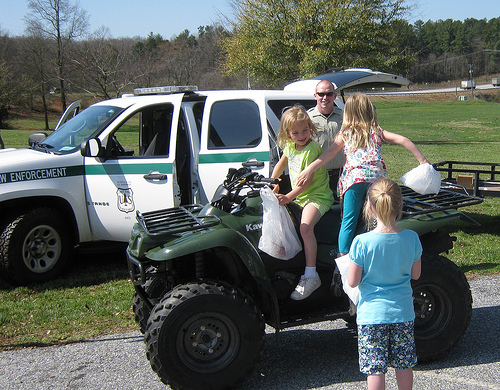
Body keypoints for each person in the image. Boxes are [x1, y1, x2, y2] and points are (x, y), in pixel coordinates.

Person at [297, 93, 429, 257]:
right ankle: (379, 251)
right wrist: (423, 161)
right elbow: (403, 140)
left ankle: (343, 258)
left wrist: (310, 168)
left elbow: (330, 153)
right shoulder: (377, 131)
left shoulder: (345, 133)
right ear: (369, 111)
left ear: (348, 113)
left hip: (355, 180)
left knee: (348, 221)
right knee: (378, 217)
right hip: (377, 181)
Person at [347, 178, 422, 390]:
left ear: (370, 207)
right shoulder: (412, 238)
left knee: (375, 368)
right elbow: (415, 275)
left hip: (372, 315)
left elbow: (352, 282)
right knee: (404, 364)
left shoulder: (362, 242)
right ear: (400, 205)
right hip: (403, 312)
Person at [271, 105, 334, 300]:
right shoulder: (290, 146)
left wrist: (288, 197)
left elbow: (306, 182)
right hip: (300, 196)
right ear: (288, 133)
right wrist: (273, 181)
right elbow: (282, 163)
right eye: (296, 132)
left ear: (310, 128)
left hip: (317, 196)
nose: (301, 136)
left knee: (305, 227)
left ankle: (311, 274)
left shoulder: (312, 149)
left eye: (305, 130)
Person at [307, 80, 344, 194]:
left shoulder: (344, 117)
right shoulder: (307, 119)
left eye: (329, 94)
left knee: (341, 208)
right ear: (315, 96)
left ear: (335, 96)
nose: (325, 97)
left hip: (342, 174)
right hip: (318, 175)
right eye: (321, 94)